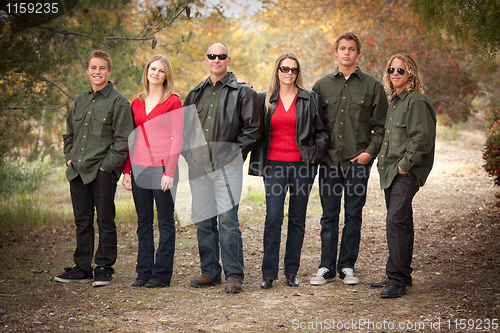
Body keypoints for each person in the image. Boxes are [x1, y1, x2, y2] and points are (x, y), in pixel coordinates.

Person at [182, 43, 261, 294]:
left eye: (221, 56)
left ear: (229, 59)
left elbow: (252, 129)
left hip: (227, 167)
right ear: (206, 59)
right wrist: (190, 157)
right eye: (212, 56)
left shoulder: (242, 92)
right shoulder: (195, 93)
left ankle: (234, 275)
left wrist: (231, 155)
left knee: (228, 220)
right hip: (199, 168)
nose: (216, 59)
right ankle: (210, 272)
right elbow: (185, 130)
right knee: (204, 222)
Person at [310, 32, 388, 285]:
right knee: (329, 215)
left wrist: (369, 154)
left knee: (354, 214)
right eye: (342, 48)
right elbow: (313, 125)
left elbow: (381, 128)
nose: (346, 52)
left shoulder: (373, 86)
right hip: (330, 162)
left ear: (358, 53)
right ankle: (326, 267)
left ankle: (347, 266)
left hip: (358, 162)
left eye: (351, 49)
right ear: (335, 52)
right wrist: (319, 154)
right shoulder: (321, 86)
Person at [249, 54, 330, 289]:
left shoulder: (309, 98)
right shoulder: (264, 100)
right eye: (284, 68)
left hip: (301, 167)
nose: (289, 73)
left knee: (297, 219)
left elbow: (322, 132)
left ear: (297, 73)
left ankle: (291, 271)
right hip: (273, 165)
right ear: (277, 71)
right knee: (273, 218)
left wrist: (314, 154)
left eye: (293, 69)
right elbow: (252, 126)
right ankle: (268, 274)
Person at [56, 50, 134, 287]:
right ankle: (82, 267)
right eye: (93, 68)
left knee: (106, 220)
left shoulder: (119, 102)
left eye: (102, 68)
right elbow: (68, 134)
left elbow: (123, 140)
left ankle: (103, 267)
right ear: (87, 70)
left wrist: (106, 167)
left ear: (109, 71)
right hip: (77, 171)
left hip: (101, 172)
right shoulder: (80, 100)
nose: (97, 72)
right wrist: (69, 158)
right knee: (82, 221)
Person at [370, 53, 436, 298]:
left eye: (400, 70)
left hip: (405, 172)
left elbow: (422, 139)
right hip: (391, 172)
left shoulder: (416, 101)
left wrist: (405, 166)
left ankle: (396, 281)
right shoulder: (394, 102)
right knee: (402, 221)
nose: (395, 74)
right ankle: (401, 275)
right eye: (391, 70)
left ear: (411, 73)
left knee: (395, 221)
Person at [121, 55, 184, 288]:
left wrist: (169, 171)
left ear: (166, 75)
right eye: (152, 68)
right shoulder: (136, 102)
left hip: (162, 168)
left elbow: (177, 139)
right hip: (139, 167)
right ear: (147, 71)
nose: (155, 73)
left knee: (165, 222)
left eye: (160, 70)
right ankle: (143, 272)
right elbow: (132, 138)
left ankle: (161, 275)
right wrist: (126, 171)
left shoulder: (173, 102)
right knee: (143, 222)